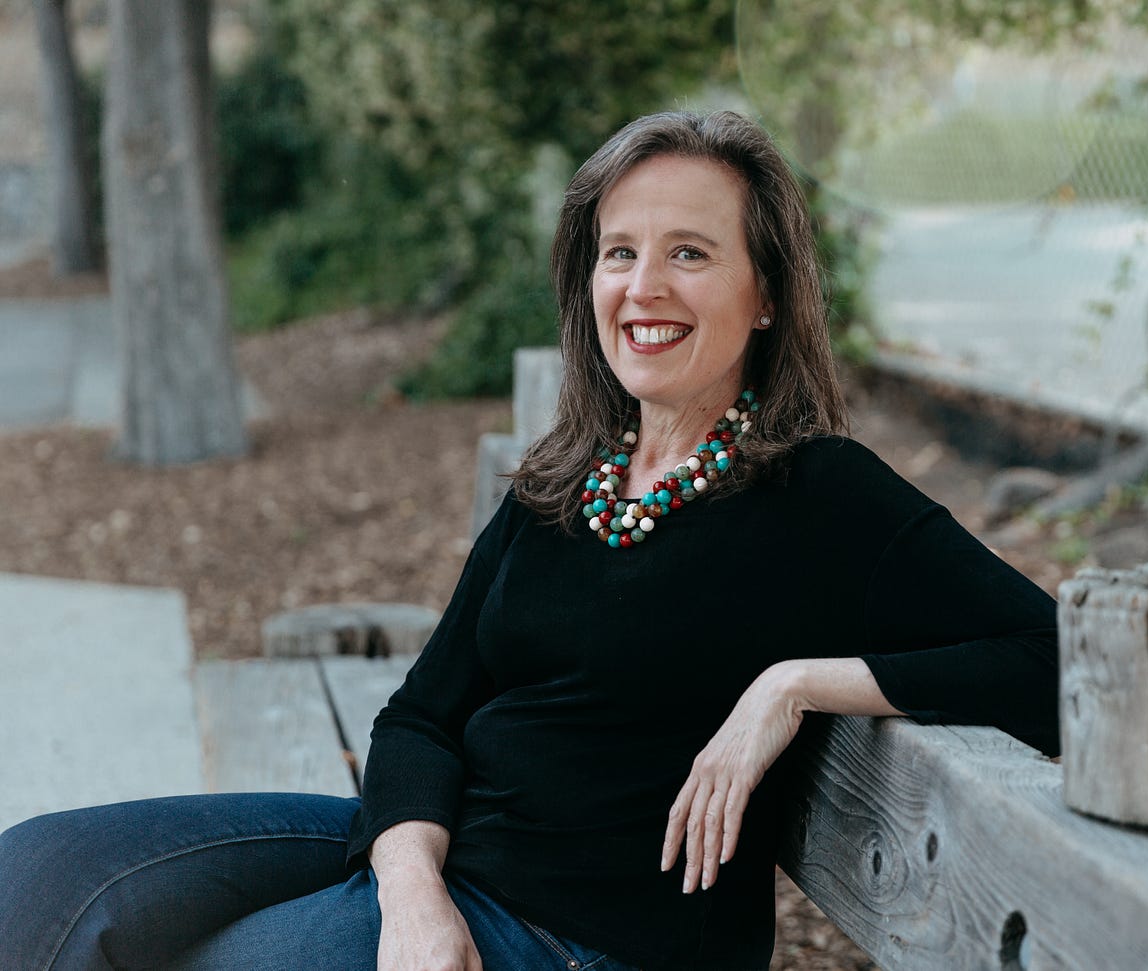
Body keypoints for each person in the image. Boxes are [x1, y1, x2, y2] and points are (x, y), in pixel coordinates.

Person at [0, 110, 1058, 971]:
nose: (643, 287)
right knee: (38, 872)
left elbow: (1054, 659)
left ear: (768, 293)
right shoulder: (565, 479)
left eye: (689, 253)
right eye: (619, 252)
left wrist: (793, 683)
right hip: (436, 860)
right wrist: (410, 890)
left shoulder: (823, 493)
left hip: (579, 933)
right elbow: (422, 712)